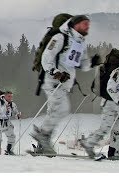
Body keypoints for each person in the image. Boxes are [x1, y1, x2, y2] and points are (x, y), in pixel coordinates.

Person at [30, 14, 101, 154]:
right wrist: (55, 72)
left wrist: (92, 63)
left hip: (64, 84)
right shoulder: (61, 37)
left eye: (89, 23)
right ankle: (42, 136)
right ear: (75, 24)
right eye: (84, 23)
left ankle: (43, 145)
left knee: (55, 112)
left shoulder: (80, 42)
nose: (88, 26)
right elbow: (46, 58)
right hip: (54, 81)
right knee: (62, 109)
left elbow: (81, 64)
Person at [0, 91, 21, 155]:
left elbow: (15, 112)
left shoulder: (12, 104)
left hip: (7, 122)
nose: (10, 98)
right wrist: (2, 113)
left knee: (11, 136)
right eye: (9, 96)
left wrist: (18, 115)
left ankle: (9, 150)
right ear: (5, 96)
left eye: (11, 96)